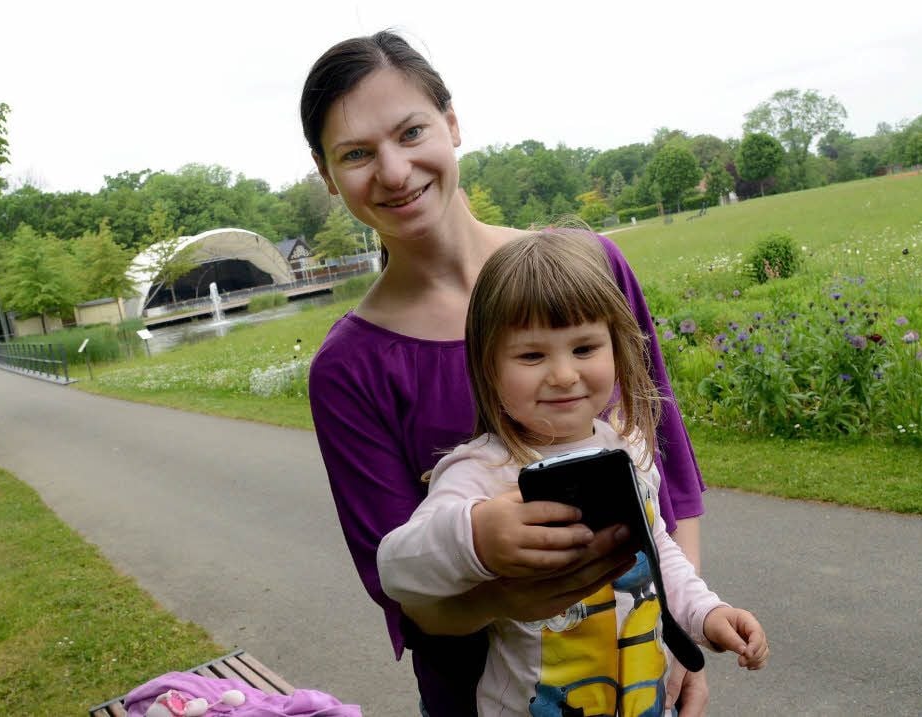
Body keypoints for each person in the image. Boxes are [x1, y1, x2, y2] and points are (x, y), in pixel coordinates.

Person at [302, 30, 709, 715]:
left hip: (639, 676)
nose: (395, 171)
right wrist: (503, 589)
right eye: (357, 155)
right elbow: (403, 588)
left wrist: (676, 635)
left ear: (452, 123)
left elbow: (669, 468)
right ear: (328, 174)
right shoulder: (348, 367)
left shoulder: (588, 267)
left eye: (411, 131)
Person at [377, 230, 769, 715]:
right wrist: (476, 537)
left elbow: (657, 552)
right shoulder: (479, 472)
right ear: (488, 367)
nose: (563, 374)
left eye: (584, 348)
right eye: (532, 355)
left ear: (617, 349)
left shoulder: (626, 449)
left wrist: (706, 613)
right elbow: (396, 570)